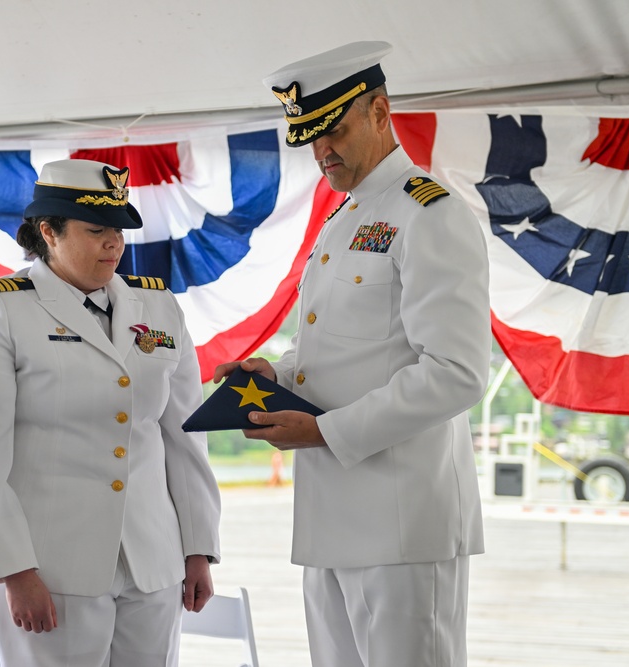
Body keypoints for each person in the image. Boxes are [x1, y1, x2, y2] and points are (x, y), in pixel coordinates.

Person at [214, 41, 491, 667]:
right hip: (331, 518)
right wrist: (277, 375)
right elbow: (344, 349)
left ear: (381, 111)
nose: (323, 153)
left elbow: (457, 372)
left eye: (334, 131)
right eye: (311, 139)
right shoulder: (346, 218)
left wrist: (325, 431)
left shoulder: (430, 214)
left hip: (402, 523)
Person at [0, 158, 221, 667]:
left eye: (118, 230)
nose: (113, 243)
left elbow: (183, 436)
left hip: (152, 560)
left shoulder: (158, 308)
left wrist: (197, 546)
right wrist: (13, 569)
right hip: (48, 566)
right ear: (48, 232)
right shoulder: (1, 309)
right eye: (97, 230)